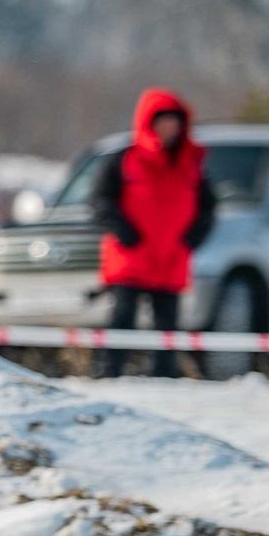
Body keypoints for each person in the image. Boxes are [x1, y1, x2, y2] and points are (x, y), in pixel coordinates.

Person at [92, 87, 217, 379]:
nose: (169, 127)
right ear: (149, 122)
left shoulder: (191, 163)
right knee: (122, 317)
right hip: (132, 254)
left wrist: (191, 240)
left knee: (167, 322)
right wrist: (124, 232)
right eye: (163, 121)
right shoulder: (125, 159)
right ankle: (109, 372)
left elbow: (209, 209)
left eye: (174, 121)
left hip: (171, 256)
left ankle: (163, 375)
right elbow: (100, 201)